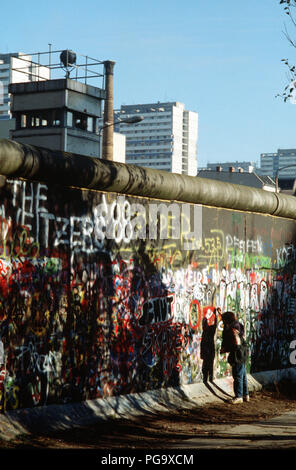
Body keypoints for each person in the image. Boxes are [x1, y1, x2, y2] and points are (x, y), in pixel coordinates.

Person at [220, 311, 249, 404]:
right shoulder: (235, 324)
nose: (222, 322)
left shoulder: (233, 328)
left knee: (238, 375)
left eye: (223, 320)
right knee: (243, 374)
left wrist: (227, 349)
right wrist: (220, 313)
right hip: (243, 352)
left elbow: (236, 341)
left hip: (238, 353)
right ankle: (245, 395)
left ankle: (239, 396)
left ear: (227, 320)